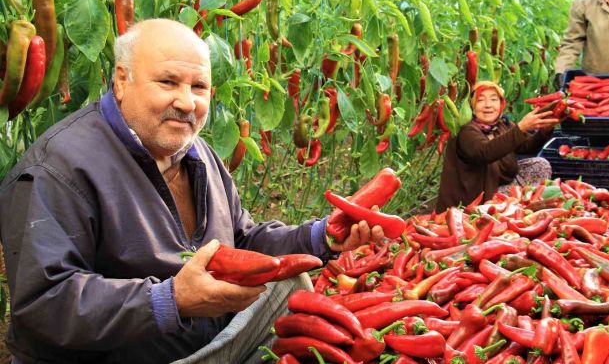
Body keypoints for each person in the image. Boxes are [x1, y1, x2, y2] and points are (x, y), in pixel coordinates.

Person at [0, 19, 383, 364]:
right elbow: (45, 303)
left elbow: (242, 241)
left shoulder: (197, 153)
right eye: (167, 82)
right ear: (121, 81)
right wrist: (170, 300)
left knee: (290, 285)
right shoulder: (59, 167)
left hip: (206, 347)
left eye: (198, 86)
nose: (187, 103)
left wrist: (324, 235)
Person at [436, 81, 559, 212]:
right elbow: (485, 152)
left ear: (501, 104)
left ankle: (526, 202)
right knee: (516, 200)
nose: (488, 105)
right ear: (472, 106)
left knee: (540, 164)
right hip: (476, 198)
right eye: (480, 100)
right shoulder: (466, 131)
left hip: (498, 182)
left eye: (494, 99)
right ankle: (521, 207)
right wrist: (521, 128)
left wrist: (545, 130)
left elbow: (527, 147)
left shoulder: (501, 125)